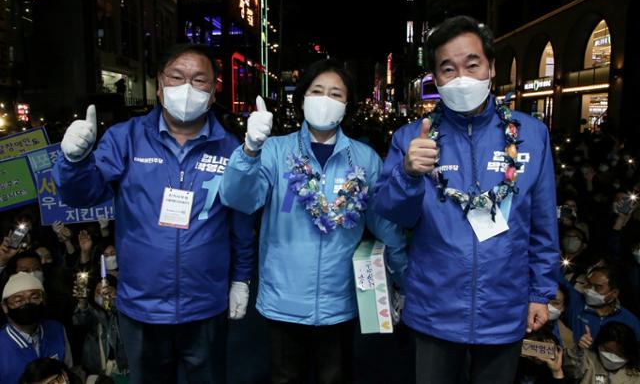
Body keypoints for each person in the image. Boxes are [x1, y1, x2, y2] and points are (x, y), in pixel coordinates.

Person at [52, 43, 255, 384]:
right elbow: (82, 195)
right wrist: (74, 161)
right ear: (160, 86)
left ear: (213, 88)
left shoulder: (230, 148)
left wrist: (241, 278)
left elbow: (241, 221)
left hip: (205, 305)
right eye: (177, 77)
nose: (187, 88)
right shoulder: (126, 138)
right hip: (142, 307)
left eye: (199, 79)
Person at [374, 15, 559, 384]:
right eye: (448, 68)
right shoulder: (412, 137)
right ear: (436, 79)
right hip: (434, 307)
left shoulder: (531, 135)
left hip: (504, 307)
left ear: (490, 66)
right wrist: (409, 173)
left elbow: (542, 224)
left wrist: (540, 292)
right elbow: (392, 212)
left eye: (472, 64)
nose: (461, 77)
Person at [220, 58, 408, 383]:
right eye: (317, 91)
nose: (325, 100)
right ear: (302, 97)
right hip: (283, 300)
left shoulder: (363, 159)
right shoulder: (275, 151)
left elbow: (383, 224)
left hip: (340, 301)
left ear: (347, 104)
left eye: (336, 94)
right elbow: (240, 198)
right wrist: (249, 150)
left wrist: (404, 278)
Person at [0, 272, 73, 384]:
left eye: (34, 297)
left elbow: (69, 371)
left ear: (44, 300)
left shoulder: (57, 329)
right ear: (5, 307)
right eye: (18, 300)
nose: (27, 303)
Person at [560, 264, 640, 343]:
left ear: (614, 293)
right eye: (589, 284)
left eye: (598, 287)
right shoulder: (575, 301)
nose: (590, 290)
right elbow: (554, 275)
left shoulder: (630, 321)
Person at [564, 321, 640, 383]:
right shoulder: (587, 360)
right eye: (608, 350)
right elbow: (569, 368)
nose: (612, 357)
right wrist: (578, 349)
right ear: (599, 344)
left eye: (620, 354)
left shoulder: (635, 376)